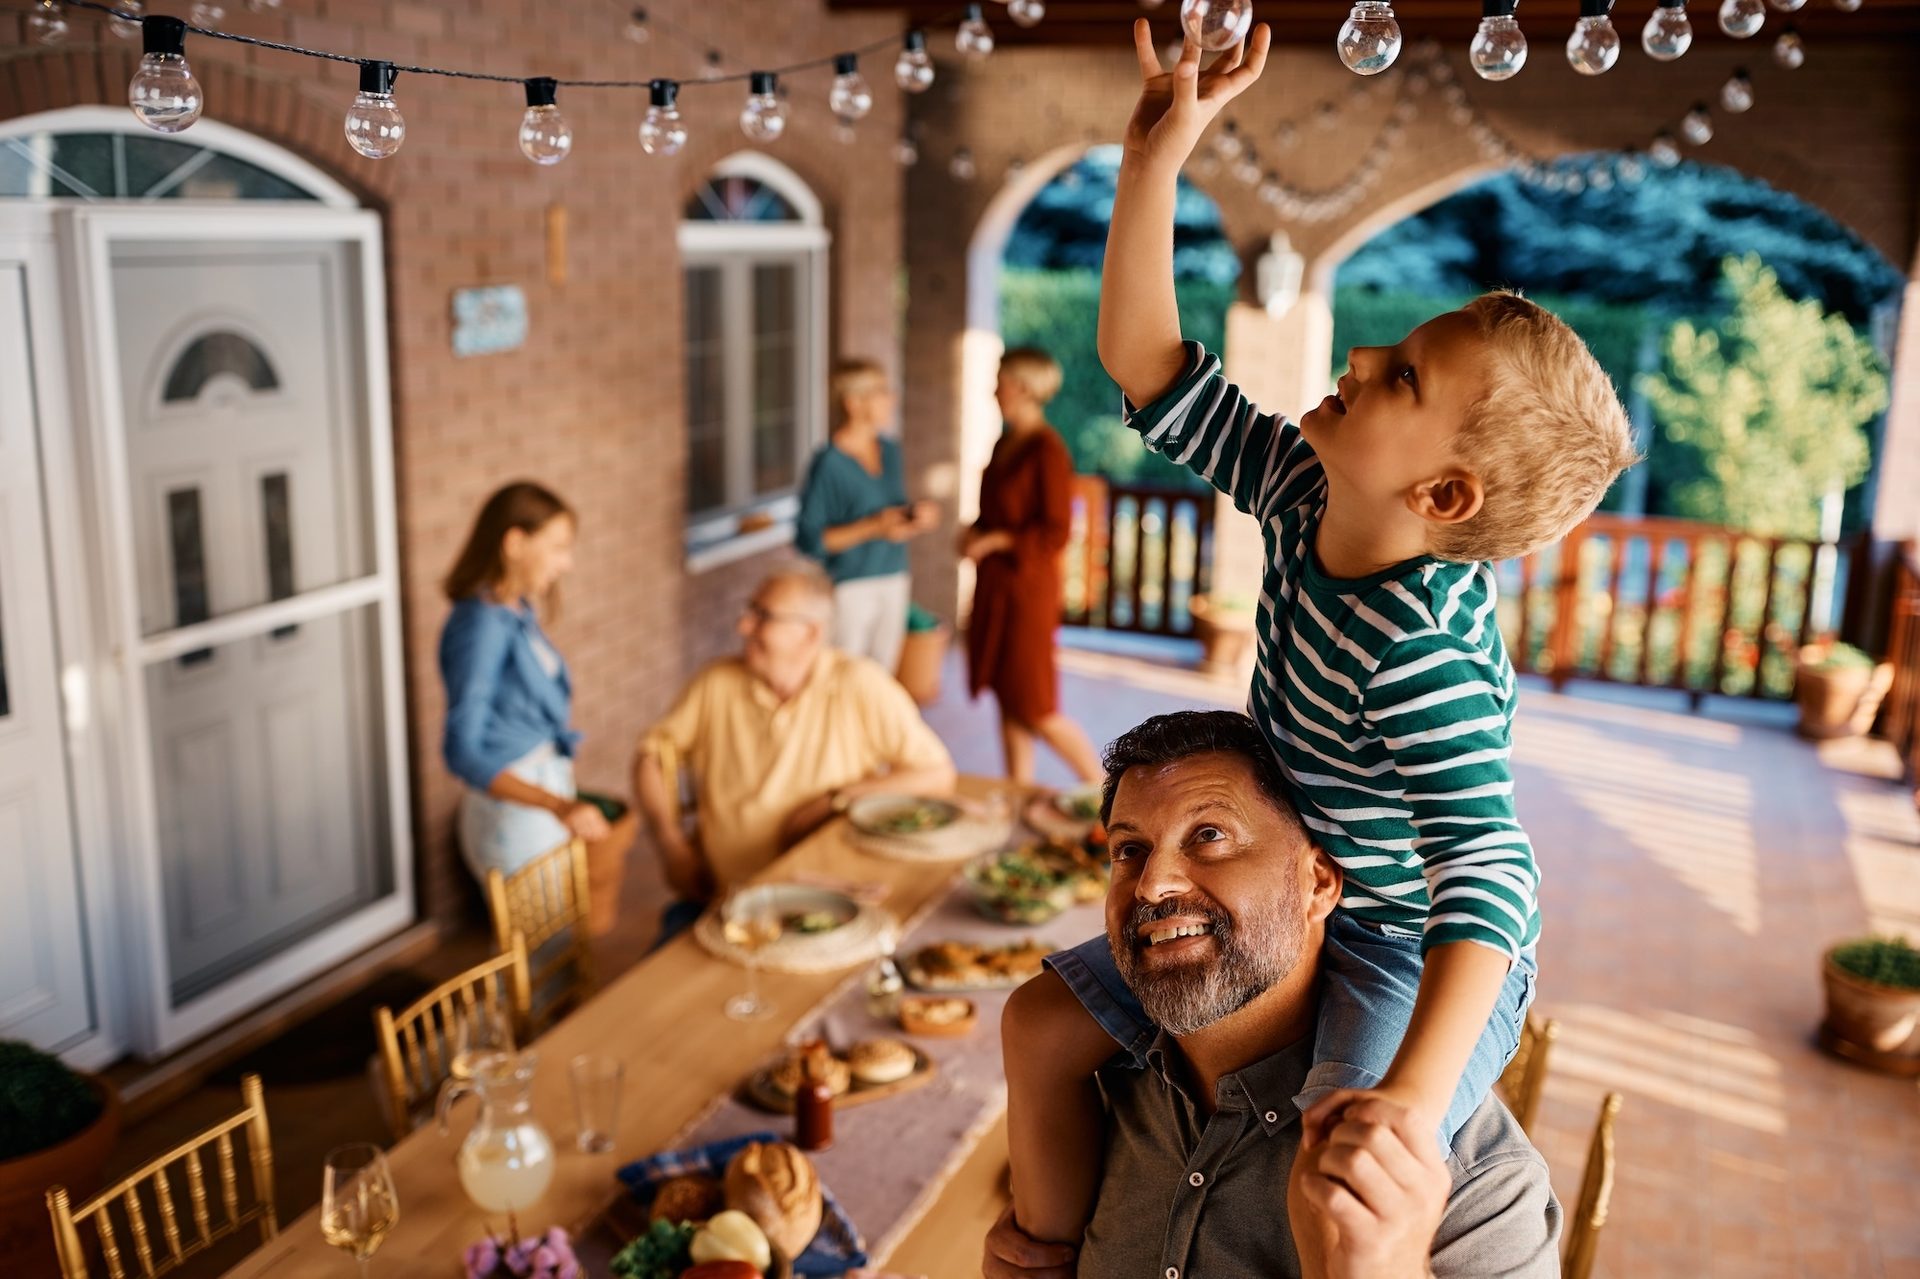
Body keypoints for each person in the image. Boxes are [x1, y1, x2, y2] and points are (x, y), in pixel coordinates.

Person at [1003, 20, 1640, 1248]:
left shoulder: (1416, 649)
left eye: (1399, 376)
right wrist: (1156, 157)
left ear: (1442, 500)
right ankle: (1043, 1257)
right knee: (1040, 1027)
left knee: (1337, 1176)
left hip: (1413, 939)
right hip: (1318, 886)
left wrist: (1402, 1098)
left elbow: (1493, 877)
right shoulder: (1305, 493)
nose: (1358, 354)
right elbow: (1148, 369)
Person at [990, 711, 1561, 1279]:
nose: (1153, 883)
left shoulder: (1477, 1193)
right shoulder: (1093, 1084)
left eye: (1210, 837)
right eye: (1128, 850)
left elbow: (1488, 864)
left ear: (1318, 882)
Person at [633, 563, 957, 940]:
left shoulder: (860, 683)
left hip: (826, 903)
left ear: (811, 633)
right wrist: (670, 843)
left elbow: (937, 774)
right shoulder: (715, 681)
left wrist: (837, 799)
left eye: (762, 616)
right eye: (748, 611)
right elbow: (650, 757)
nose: (743, 627)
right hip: (730, 903)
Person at [439, 481, 610, 883]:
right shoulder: (480, 626)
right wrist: (558, 805)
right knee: (544, 946)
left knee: (561, 940)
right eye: (558, 547)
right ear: (515, 542)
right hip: (514, 818)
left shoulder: (515, 610)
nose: (566, 563)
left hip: (537, 806)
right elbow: (461, 751)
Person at [963, 347, 1103, 786]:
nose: (993, 389)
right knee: (1007, 699)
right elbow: (998, 514)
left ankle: (1110, 792)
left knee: (1036, 705)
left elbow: (1057, 532)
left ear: (1022, 387)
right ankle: (1017, 797)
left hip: (1027, 591)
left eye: (1000, 380)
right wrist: (974, 533)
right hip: (996, 587)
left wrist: (998, 539)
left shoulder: (1047, 451)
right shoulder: (1007, 442)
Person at [795, 358, 939, 674]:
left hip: (894, 575)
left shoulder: (889, 450)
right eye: (881, 392)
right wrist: (872, 528)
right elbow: (809, 540)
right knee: (844, 676)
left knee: (880, 679)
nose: (891, 399)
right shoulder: (828, 464)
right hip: (851, 586)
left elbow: (891, 513)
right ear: (853, 402)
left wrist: (915, 517)